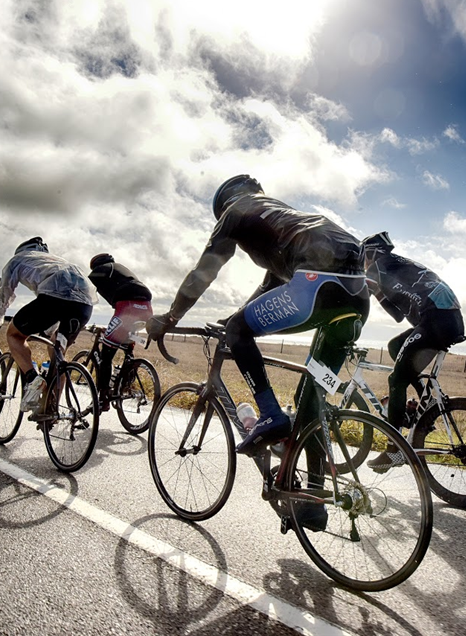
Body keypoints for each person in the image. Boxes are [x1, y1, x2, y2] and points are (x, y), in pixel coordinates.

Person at [147, 174, 370, 455]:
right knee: (310, 403)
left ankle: (270, 415)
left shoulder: (235, 210)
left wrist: (171, 317)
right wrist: (235, 317)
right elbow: (270, 286)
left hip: (317, 287)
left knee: (239, 332)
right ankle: (313, 495)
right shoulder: (285, 221)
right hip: (357, 299)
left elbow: (204, 271)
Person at [360, 232, 466, 470]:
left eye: (364, 258)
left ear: (371, 253)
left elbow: (357, 294)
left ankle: (393, 449)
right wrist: (378, 291)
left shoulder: (379, 266)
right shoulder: (396, 265)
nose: (363, 264)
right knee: (395, 346)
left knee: (396, 381)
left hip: (435, 321)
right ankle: (425, 405)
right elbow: (398, 316)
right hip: (446, 320)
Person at [0, 237, 95, 413]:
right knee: (58, 351)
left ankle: (32, 379)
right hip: (85, 305)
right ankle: (50, 410)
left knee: (14, 335)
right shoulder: (57, 262)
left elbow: (4, 293)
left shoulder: (18, 259)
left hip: (54, 299)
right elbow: (64, 295)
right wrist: (50, 329)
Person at [87, 253, 153, 411]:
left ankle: (103, 399)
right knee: (127, 341)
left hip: (127, 309)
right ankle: (126, 383)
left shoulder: (100, 271)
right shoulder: (121, 271)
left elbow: (91, 297)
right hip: (147, 309)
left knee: (106, 354)